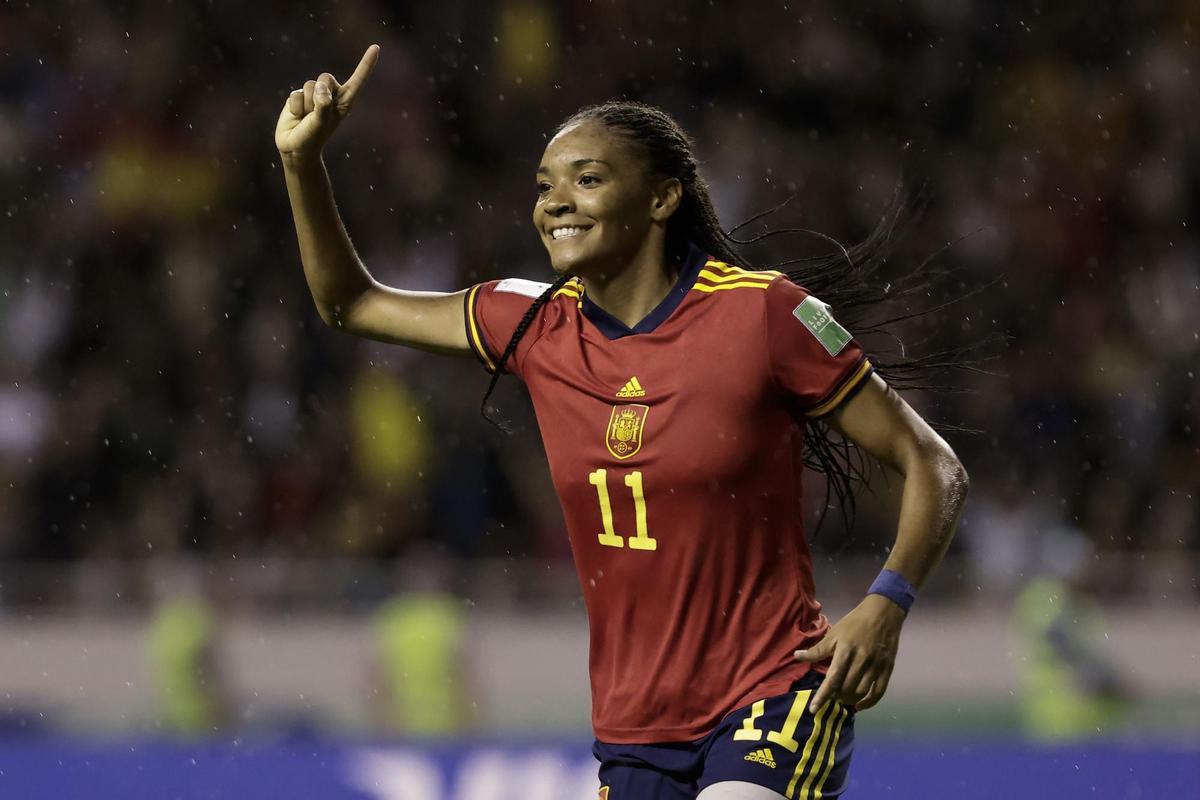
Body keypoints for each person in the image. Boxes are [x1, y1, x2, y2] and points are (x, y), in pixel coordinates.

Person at [276, 45, 970, 800]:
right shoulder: (533, 323)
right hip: (637, 729)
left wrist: (886, 603)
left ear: (663, 198)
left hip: (776, 692)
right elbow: (351, 304)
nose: (555, 202)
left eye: (589, 179)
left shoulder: (762, 311)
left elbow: (933, 463)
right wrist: (302, 164)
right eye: (545, 186)